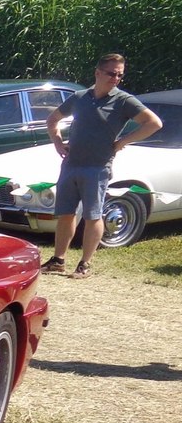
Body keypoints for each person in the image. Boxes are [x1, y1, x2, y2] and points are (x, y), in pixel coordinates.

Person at [41, 53, 163, 278]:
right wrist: (57, 142)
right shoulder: (80, 97)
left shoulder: (123, 101)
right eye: (111, 73)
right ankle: (58, 260)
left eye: (120, 75)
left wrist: (122, 142)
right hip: (71, 165)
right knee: (66, 214)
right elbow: (52, 119)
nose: (116, 78)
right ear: (98, 73)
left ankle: (85, 264)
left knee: (92, 216)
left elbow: (154, 123)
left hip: (97, 168)